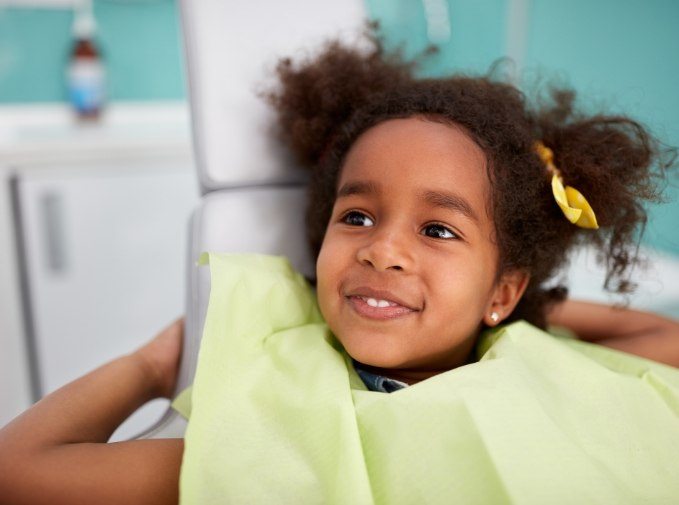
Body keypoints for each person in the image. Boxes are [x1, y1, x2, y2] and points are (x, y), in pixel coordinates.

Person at [1, 33, 678, 504]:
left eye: (437, 229)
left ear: (503, 287)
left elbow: (661, 339)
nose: (380, 250)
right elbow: (18, 473)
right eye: (355, 216)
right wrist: (152, 367)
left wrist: (521, 310)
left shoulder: (531, 360)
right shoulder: (278, 426)